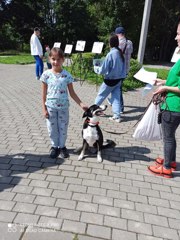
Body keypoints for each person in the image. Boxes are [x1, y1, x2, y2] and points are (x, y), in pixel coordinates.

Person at [40, 47, 88, 159]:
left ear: (63, 60)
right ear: (49, 59)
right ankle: (54, 147)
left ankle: (62, 147)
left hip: (63, 108)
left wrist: (81, 104)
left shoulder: (67, 75)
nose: (56, 62)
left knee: (63, 128)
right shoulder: (46, 75)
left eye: (58, 59)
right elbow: (43, 94)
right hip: (50, 107)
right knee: (52, 129)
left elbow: (72, 93)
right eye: (53, 59)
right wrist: (44, 109)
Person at [148, 20, 180, 178]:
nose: (176, 37)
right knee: (170, 136)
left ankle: (167, 168)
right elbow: (177, 81)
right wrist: (162, 81)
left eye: (179, 34)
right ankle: (171, 161)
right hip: (173, 105)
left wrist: (165, 88)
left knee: (167, 137)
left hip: (173, 106)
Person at [94, 34, 126, 123]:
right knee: (116, 98)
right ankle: (117, 116)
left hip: (109, 80)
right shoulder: (120, 53)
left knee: (100, 95)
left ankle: (92, 111)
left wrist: (96, 69)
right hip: (119, 80)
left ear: (110, 43)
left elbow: (103, 70)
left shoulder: (110, 54)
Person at [107, 26, 133, 113]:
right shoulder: (129, 42)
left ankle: (120, 108)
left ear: (117, 34)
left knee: (118, 88)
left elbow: (113, 55)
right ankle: (114, 102)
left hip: (118, 70)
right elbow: (130, 52)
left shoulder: (117, 44)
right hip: (125, 69)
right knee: (117, 87)